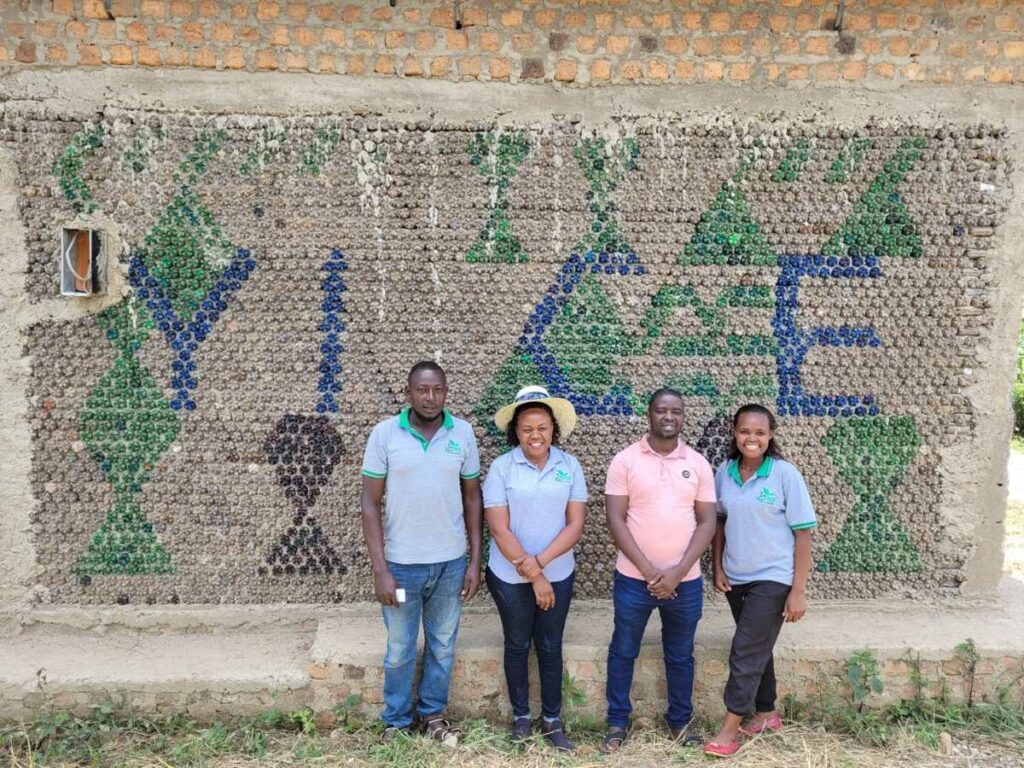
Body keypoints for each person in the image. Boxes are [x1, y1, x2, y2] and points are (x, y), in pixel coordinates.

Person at [360, 361, 483, 746]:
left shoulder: (461, 433)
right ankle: (396, 722)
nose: (430, 398)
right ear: (409, 392)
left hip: (450, 564)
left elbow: (473, 498)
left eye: (438, 390)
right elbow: (369, 502)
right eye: (422, 390)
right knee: (399, 647)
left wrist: (475, 560)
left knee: (443, 645)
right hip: (400, 567)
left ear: (446, 392)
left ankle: (433, 715)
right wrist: (380, 569)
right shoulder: (385, 435)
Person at [601, 388, 717, 753]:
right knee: (623, 649)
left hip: (686, 582)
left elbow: (707, 522)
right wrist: (650, 571)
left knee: (681, 653)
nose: (669, 417)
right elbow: (615, 520)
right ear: (648, 414)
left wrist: (678, 572)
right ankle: (618, 721)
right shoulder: (625, 461)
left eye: (677, 411)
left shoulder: (697, 463)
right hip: (634, 580)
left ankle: (680, 721)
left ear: (684, 417)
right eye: (662, 411)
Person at [705, 404, 816, 758]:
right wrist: (717, 565)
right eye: (744, 432)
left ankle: (729, 730)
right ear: (734, 434)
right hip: (736, 578)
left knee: (745, 650)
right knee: (758, 647)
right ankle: (766, 713)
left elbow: (803, 534)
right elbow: (719, 522)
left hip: (774, 578)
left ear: (770, 436)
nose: (751, 438)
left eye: (759, 433)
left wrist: (797, 590)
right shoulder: (724, 471)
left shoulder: (785, 475)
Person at [483, 385, 588, 752]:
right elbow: (498, 527)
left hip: (557, 574)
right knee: (516, 643)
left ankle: (552, 720)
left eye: (542, 427)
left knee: (549, 645)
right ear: (516, 432)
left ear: (553, 430)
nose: (535, 435)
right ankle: (521, 719)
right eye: (527, 428)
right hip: (509, 578)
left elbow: (575, 526)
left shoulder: (569, 466)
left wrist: (541, 566)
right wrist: (534, 575)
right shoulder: (501, 468)